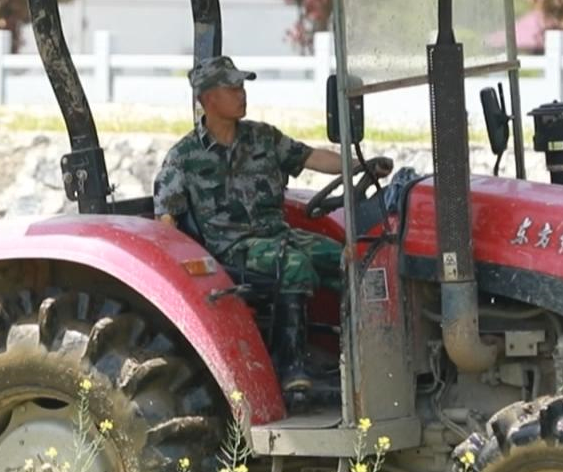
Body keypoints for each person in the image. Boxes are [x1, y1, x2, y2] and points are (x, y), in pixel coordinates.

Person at [154, 55, 390, 392]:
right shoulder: (184, 157)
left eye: (242, 86)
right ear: (207, 98)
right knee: (294, 266)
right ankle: (290, 366)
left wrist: (359, 165)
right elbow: (166, 221)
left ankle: (365, 357)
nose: (242, 93)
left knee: (353, 259)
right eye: (232, 88)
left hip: (279, 235)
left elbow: (310, 156)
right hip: (232, 249)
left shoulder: (262, 138)